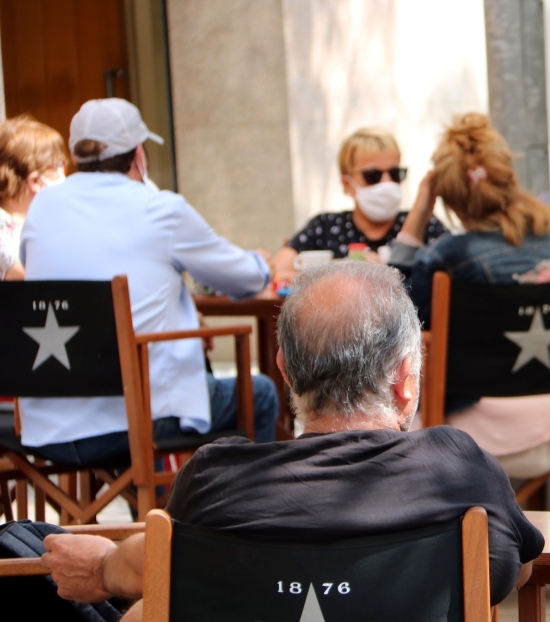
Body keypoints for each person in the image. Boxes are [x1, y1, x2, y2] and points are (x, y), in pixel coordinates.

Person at [1, 261, 543, 622]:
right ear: (406, 379)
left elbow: (168, 561)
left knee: (179, 601)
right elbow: (512, 572)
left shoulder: (215, 479)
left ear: (283, 370)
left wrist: (105, 568)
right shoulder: (458, 473)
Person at [18, 98, 279, 463]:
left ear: (76, 154)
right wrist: (261, 262)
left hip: (47, 426)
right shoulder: (161, 209)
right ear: (138, 153)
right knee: (262, 393)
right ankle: (238, 515)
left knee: (151, 381)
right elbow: (246, 279)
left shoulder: (43, 206)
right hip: (133, 422)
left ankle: (150, 507)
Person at [392, 113, 550, 480]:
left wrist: (419, 214)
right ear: (511, 179)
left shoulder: (447, 258)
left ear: (448, 198)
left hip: (487, 432)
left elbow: (389, 307)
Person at [274, 127, 448, 277]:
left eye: (395, 174)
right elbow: (279, 272)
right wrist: (341, 271)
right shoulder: (325, 227)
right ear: (347, 184)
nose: (387, 183)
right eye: (373, 176)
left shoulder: (424, 224)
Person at [0, 116, 68, 281]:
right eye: (58, 165)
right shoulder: (4, 234)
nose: (64, 173)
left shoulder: (35, 221)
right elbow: (32, 278)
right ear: (35, 181)